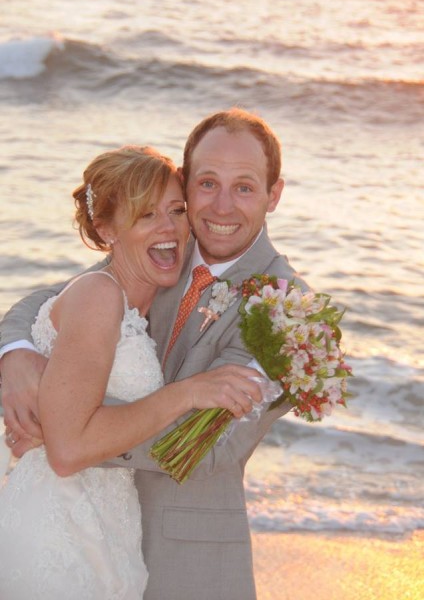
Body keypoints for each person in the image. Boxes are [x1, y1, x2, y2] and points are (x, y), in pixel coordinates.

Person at [0, 108, 310, 600]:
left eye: (245, 187)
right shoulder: (161, 242)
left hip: (186, 562)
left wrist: (63, 431)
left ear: (274, 194)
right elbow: (51, 302)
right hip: (80, 536)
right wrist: (14, 354)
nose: (222, 206)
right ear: (185, 182)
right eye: (207, 183)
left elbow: (210, 443)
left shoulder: (287, 311)